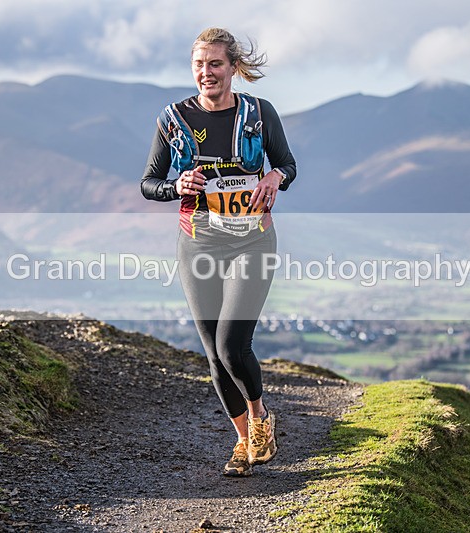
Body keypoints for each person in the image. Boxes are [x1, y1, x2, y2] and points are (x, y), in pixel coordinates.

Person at [141, 27, 296, 477]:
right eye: (198, 64)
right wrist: (176, 186)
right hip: (199, 242)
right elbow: (149, 183)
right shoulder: (173, 119)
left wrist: (274, 179)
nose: (206, 72)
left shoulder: (259, 114)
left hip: (251, 239)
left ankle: (261, 417)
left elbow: (287, 164)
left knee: (232, 344)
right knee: (212, 352)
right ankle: (244, 442)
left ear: (232, 68)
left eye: (215, 64)